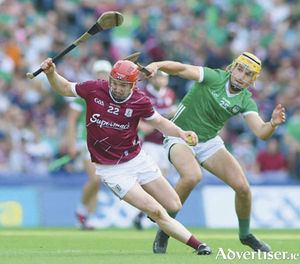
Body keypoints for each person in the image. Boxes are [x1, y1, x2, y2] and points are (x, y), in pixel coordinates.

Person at [40, 57, 212, 255]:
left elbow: (161, 123)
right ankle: (199, 245)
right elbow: (64, 87)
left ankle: (161, 221)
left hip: (137, 159)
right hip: (111, 169)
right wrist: (51, 73)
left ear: (134, 84)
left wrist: (181, 133)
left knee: (173, 204)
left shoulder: (140, 100)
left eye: (124, 85)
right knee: (155, 210)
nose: (119, 89)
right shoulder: (94, 88)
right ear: (110, 80)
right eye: (116, 83)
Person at [144, 52, 286, 253]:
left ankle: (245, 235)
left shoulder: (245, 100)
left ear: (252, 80)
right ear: (232, 67)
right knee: (192, 176)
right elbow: (180, 68)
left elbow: (261, 133)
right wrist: (157, 65)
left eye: (247, 74)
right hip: (180, 135)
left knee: (243, 188)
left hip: (209, 142)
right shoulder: (213, 77)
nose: (241, 76)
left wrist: (272, 124)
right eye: (239, 70)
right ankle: (165, 229)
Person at [68, 60, 112, 229]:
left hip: (101, 142)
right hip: (85, 140)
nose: (101, 75)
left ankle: (88, 217)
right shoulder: (85, 92)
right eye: (99, 72)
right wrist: (72, 143)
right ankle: (81, 210)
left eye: (104, 73)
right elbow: (72, 120)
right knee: (94, 178)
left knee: (97, 180)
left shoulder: (110, 95)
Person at [133, 71, 177, 230]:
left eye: (165, 77)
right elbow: (132, 112)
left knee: (161, 181)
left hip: (164, 141)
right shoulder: (142, 92)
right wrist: (140, 125)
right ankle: (150, 213)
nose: (162, 80)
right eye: (159, 77)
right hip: (149, 142)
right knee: (155, 179)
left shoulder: (170, 94)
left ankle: (142, 215)